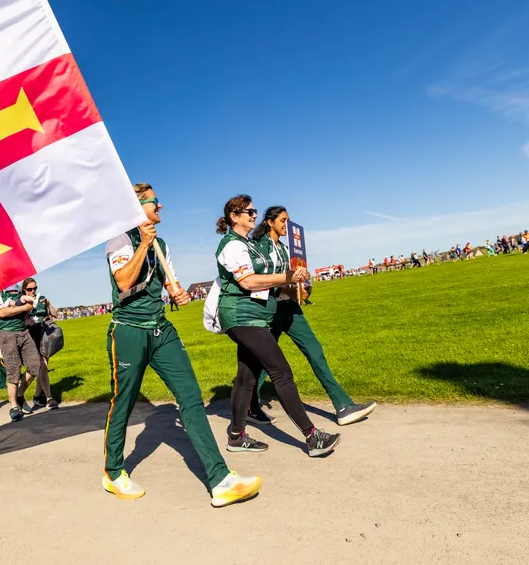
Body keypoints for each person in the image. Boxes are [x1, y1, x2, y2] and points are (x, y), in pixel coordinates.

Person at [102, 183, 262, 507]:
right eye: (154, 202)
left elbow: (167, 281)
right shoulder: (119, 240)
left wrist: (176, 293)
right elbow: (123, 281)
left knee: (190, 396)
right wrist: (143, 244)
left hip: (161, 330)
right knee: (124, 401)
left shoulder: (161, 243)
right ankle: (113, 471)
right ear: (137, 207)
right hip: (129, 331)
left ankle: (220, 479)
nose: (160, 207)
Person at [215, 194, 340, 458]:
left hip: (255, 315)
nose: (253, 215)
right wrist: (286, 276)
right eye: (248, 211)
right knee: (281, 371)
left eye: (254, 211)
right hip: (242, 316)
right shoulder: (232, 245)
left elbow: (264, 281)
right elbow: (248, 282)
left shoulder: (247, 244)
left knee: (246, 377)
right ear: (234, 217)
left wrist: (293, 285)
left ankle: (236, 436)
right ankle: (311, 435)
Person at [247, 206, 377, 427]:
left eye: (288, 220)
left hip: (290, 308)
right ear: (270, 222)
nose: (286, 225)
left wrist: (302, 289)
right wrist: (287, 288)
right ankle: (250, 405)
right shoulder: (260, 247)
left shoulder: (286, 249)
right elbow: (261, 280)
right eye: (282, 220)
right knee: (264, 360)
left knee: (315, 351)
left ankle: (343, 406)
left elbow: (292, 278)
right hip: (270, 310)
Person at [0, 285, 53, 421]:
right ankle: (14, 406)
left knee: (35, 365)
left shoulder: (16, 286)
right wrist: (23, 308)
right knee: (13, 370)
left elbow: (29, 302)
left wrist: (28, 304)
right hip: (6, 334)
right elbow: (2, 313)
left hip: (24, 332)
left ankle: (20, 394)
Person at [22, 277, 59, 409]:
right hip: (31, 335)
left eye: (35, 288)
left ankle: (37, 397)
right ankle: (48, 398)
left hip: (44, 334)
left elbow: (55, 314)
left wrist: (48, 304)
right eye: (29, 289)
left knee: (43, 367)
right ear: (24, 290)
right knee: (41, 367)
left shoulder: (42, 298)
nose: (33, 291)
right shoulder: (22, 301)